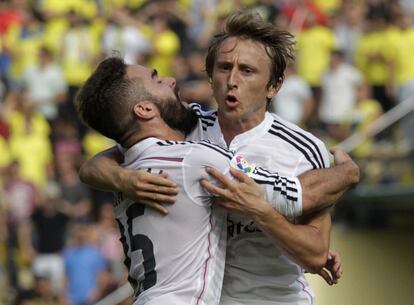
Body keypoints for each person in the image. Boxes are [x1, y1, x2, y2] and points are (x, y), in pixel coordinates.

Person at [79, 11, 359, 305]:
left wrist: (261, 213)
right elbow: (97, 162)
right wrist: (123, 177)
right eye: (224, 68)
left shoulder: (306, 149)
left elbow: (315, 255)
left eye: (247, 70)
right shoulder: (185, 127)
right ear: (211, 77)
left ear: (273, 86)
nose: (232, 80)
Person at [75, 56, 310, 304]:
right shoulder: (195, 158)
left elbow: (93, 166)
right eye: (156, 79)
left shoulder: (126, 168)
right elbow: (295, 195)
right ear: (144, 109)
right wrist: (343, 171)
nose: (170, 80)